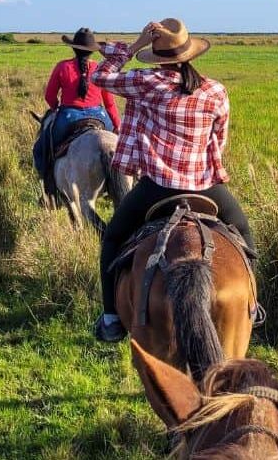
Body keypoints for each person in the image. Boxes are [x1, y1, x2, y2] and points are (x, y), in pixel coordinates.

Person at [89, 18, 256, 342]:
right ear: (190, 54)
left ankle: (111, 318)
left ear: (158, 56)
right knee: (244, 233)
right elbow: (218, 141)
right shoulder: (215, 90)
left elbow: (101, 77)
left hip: (156, 188)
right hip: (206, 187)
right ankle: (252, 307)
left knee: (112, 237)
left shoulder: (145, 82)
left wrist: (134, 46)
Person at [46, 28, 121, 144]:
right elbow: (109, 103)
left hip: (69, 115)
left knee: (44, 146)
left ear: (73, 48)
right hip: (99, 115)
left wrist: (55, 108)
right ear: (92, 50)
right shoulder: (100, 68)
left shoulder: (62, 66)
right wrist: (117, 125)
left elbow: (49, 96)